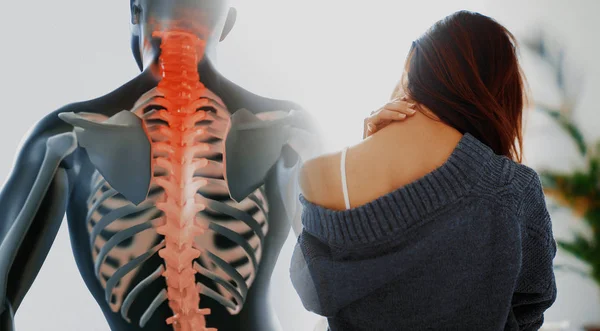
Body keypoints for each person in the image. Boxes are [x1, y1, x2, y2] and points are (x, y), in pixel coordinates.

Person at [0, 1, 319, 330]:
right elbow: (346, 290)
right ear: (228, 23)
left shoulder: (65, 136)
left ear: (135, 12)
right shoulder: (290, 131)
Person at [290, 10, 557, 331]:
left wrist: (369, 150)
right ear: (496, 90)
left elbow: (314, 291)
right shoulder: (511, 187)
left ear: (413, 69)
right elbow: (530, 308)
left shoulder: (322, 176)